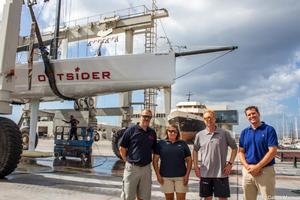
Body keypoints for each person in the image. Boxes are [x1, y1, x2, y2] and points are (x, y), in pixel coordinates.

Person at [193, 110, 237, 200]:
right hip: (205, 173)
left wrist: (230, 164)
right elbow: (195, 150)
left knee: (223, 198)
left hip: (221, 174)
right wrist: (196, 167)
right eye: (205, 118)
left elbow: (235, 148)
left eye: (210, 117)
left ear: (214, 118)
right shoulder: (199, 135)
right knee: (207, 198)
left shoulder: (224, 133)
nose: (208, 120)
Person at [239, 106, 278, 200]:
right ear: (247, 117)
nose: (251, 116)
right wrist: (247, 166)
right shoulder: (244, 132)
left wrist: (258, 167)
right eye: (249, 115)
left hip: (265, 171)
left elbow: (272, 151)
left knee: (269, 198)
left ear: (258, 114)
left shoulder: (269, 130)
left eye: (253, 113)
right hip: (248, 172)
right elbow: (241, 152)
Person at [119, 109, 157, 200]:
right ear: (140, 116)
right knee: (128, 196)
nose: (146, 118)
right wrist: (127, 161)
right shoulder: (131, 130)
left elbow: (154, 150)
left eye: (149, 117)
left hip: (146, 170)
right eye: (144, 116)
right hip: (132, 168)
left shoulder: (152, 133)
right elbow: (122, 148)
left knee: (144, 197)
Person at [153, 124, 192, 200]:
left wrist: (187, 175)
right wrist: (158, 175)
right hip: (165, 177)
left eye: (174, 131)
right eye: (170, 131)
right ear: (167, 132)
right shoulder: (161, 144)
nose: (172, 133)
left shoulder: (183, 143)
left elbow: (189, 160)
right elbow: (155, 160)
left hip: (181, 177)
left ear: (177, 133)